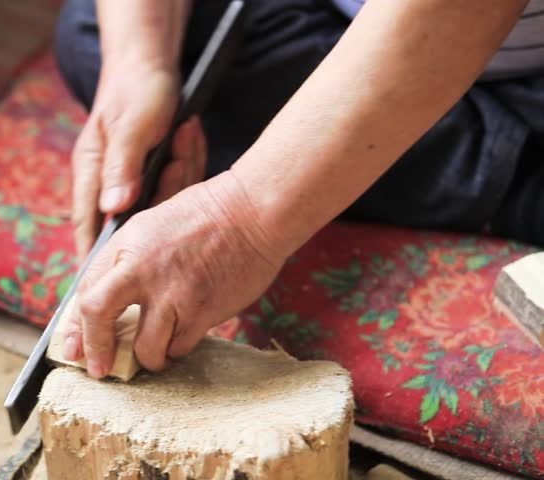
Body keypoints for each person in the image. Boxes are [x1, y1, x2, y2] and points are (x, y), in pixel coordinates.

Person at [53, 0, 544, 379]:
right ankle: (458, 164)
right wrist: (138, 65)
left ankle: (507, 173)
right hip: (338, 21)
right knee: (97, 33)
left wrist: (243, 219)